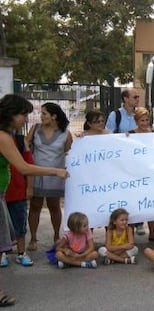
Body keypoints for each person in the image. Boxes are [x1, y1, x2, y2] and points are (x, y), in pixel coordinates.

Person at [0, 94, 68, 305]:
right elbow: (24, 167)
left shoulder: (7, 134)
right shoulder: (3, 136)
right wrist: (55, 171)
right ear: (11, 114)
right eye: (23, 115)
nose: (26, 120)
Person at [27, 102, 73, 250]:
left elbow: (69, 153)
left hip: (55, 176)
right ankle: (33, 238)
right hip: (36, 174)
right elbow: (26, 147)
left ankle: (56, 236)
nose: (41, 116)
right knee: (35, 205)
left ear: (54, 116)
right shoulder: (35, 129)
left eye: (44, 114)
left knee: (54, 206)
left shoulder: (66, 133)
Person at [127, 107, 154, 241]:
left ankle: (152, 232)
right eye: (142, 120)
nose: (145, 123)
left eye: (146, 120)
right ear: (136, 121)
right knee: (134, 203)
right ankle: (131, 235)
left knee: (151, 204)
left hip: (150, 172)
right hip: (135, 173)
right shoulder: (130, 134)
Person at [5, 131, 34, 266]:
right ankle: (3, 252)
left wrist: (29, 187)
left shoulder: (21, 140)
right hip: (3, 191)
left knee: (20, 224)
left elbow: (28, 164)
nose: (26, 119)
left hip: (17, 190)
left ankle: (21, 253)